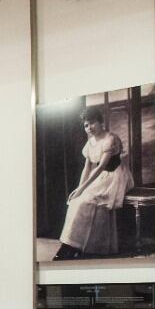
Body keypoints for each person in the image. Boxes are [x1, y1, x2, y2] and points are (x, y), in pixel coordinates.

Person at [53, 106, 133, 260]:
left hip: (114, 175)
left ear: (101, 122)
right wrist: (79, 189)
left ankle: (87, 246)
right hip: (100, 176)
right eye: (86, 125)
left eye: (92, 123)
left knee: (89, 201)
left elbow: (102, 166)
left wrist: (84, 188)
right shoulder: (90, 143)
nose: (89, 127)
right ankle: (72, 245)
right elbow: (87, 168)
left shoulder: (110, 139)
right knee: (77, 200)